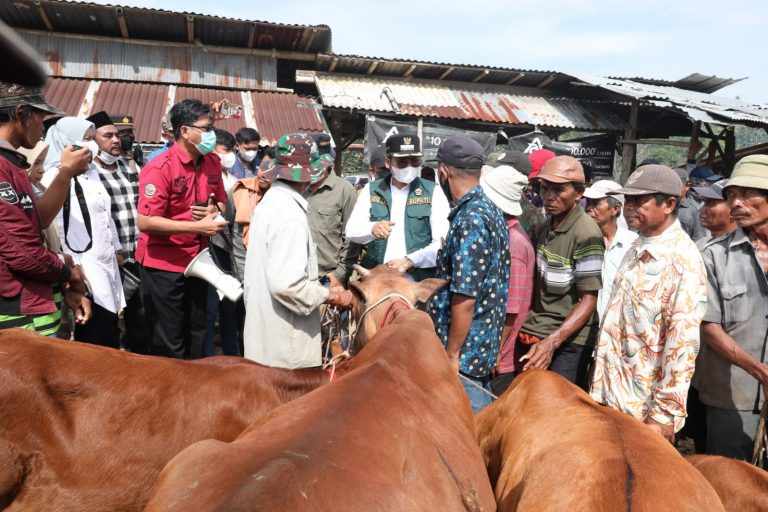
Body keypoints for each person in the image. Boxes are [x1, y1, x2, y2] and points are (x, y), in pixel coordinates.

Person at [590, 164, 708, 442]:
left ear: (668, 204)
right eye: (627, 200)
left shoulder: (683, 261)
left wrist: (663, 416)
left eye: (638, 201)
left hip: (643, 413)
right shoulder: (637, 246)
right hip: (609, 396)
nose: (629, 207)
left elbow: (682, 345)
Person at [242, 133, 353, 368]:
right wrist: (331, 295)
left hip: (266, 336)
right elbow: (287, 285)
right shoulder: (290, 216)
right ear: (309, 177)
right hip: (286, 350)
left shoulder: (270, 203)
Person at [136, 99, 228, 359]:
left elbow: (221, 201)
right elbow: (146, 221)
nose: (212, 134)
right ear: (184, 131)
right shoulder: (160, 167)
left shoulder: (211, 162)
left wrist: (214, 211)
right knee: (169, 341)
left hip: (198, 261)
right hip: (164, 264)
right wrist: (195, 225)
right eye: (206, 128)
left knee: (198, 333)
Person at [0, 82, 91, 336]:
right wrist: (68, 271)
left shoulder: (12, 163)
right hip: (16, 309)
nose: (43, 128)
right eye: (41, 118)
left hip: (33, 297)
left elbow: (35, 221)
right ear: (21, 114)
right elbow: (22, 252)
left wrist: (66, 173)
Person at [428, 135, 510, 411]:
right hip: (480, 346)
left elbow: (465, 295)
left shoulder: (470, 219)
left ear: (444, 171)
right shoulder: (490, 211)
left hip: (464, 355)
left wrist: (451, 354)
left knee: (466, 435)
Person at [696, 155, 768, 460]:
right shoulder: (712, 256)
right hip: (733, 396)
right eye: (731, 195)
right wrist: (760, 371)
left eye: (747, 193)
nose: (736, 203)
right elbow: (709, 327)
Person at [517, 156, 604, 388]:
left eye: (558, 189)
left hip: (568, 339)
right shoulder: (544, 226)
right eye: (544, 189)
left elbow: (589, 299)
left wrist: (552, 342)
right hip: (537, 327)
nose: (549, 196)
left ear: (578, 193)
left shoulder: (586, 233)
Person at [40, 117, 125, 347]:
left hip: (106, 263)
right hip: (81, 269)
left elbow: (105, 214)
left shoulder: (92, 173)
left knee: (109, 329)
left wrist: (115, 248)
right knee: (92, 336)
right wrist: (72, 271)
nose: (90, 145)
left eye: (91, 139)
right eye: (85, 139)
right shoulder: (54, 177)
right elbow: (54, 230)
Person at [346, 134, 450, 280]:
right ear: (388, 162)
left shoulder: (433, 192)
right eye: (402, 162)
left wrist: (410, 260)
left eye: (414, 161)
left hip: (416, 279)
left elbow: (442, 242)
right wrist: (371, 229)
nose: (409, 167)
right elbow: (351, 230)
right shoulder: (372, 190)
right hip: (377, 277)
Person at [87, 110, 147, 352]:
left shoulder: (130, 167)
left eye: (117, 135)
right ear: (92, 140)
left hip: (138, 256)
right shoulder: (88, 172)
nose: (115, 140)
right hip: (112, 260)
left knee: (141, 323)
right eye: (108, 136)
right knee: (108, 322)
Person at [479, 165, 535, 396]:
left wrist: (494, 352)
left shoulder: (512, 245)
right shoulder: (503, 235)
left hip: (498, 357)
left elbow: (510, 309)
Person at [202, 128, 240, 357]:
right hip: (208, 251)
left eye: (231, 151)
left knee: (230, 307)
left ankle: (231, 353)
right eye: (225, 151)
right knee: (209, 310)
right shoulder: (204, 177)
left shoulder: (236, 182)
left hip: (229, 253)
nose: (229, 156)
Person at [583, 179, 638, 321]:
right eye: (588, 203)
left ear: (615, 209)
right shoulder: (582, 241)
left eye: (596, 203)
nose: (589, 208)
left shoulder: (633, 245)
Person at [306, 152, 357, 286]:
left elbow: (352, 238)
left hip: (327, 278)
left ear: (328, 164)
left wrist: (339, 274)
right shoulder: (298, 188)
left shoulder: (345, 190)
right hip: (297, 276)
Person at [694, 179, 736, 249]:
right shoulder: (699, 245)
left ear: (734, 210)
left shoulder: (743, 250)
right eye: (705, 202)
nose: (701, 209)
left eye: (711, 203)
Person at [674, 166, 707, 241]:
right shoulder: (661, 206)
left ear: (687, 186)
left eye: (675, 185)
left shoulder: (694, 209)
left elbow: (699, 238)